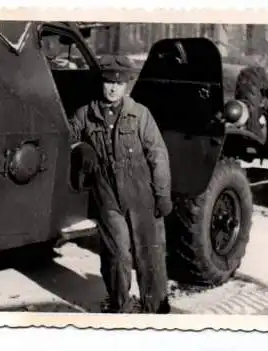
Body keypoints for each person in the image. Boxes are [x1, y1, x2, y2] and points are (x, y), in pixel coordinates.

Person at [68, 54, 173, 314]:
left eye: (119, 83)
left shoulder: (140, 115)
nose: (113, 88)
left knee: (148, 253)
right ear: (101, 83)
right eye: (108, 82)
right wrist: (81, 147)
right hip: (107, 194)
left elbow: (158, 154)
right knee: (117, 254)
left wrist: (162, 194)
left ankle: (155, 307)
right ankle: (120, 306)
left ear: (127, 85)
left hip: (141, 193)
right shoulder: (86, 114)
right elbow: (63, 136)